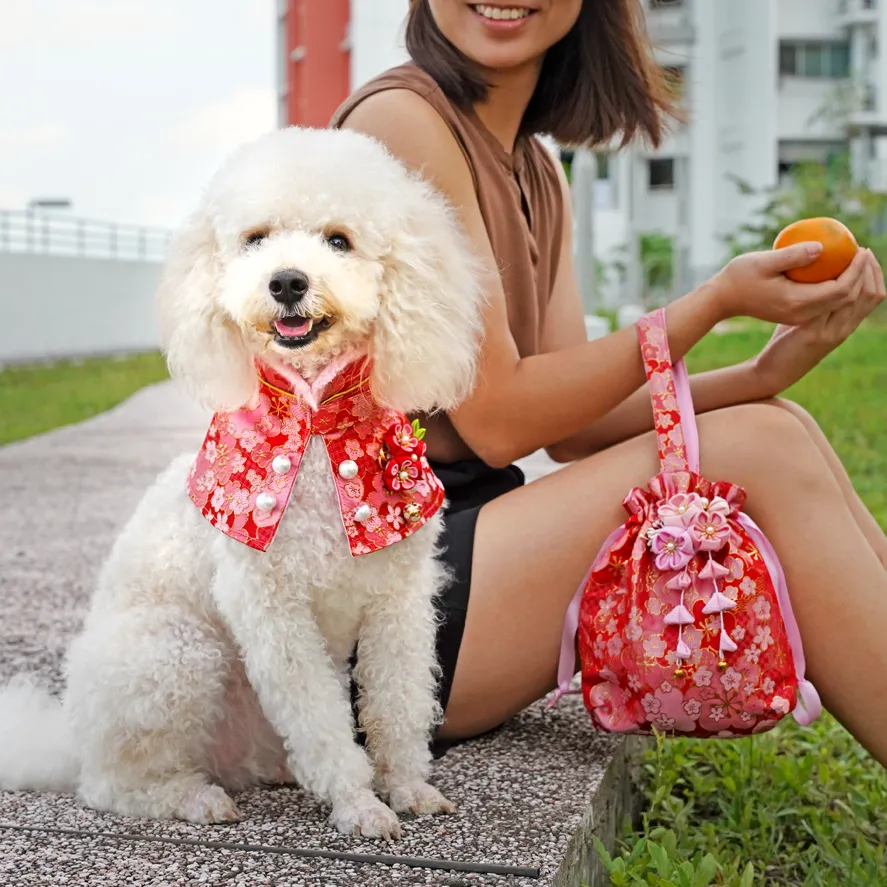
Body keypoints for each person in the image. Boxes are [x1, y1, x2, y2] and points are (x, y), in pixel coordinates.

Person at [330, 0, 887, 764]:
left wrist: (762, 371)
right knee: (762, 446)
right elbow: (497, 419)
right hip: (370, 603)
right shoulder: (401, 121)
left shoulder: (533, 167)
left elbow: (572, 426)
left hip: (455, 549)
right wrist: (712, 302)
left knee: (779, 424)